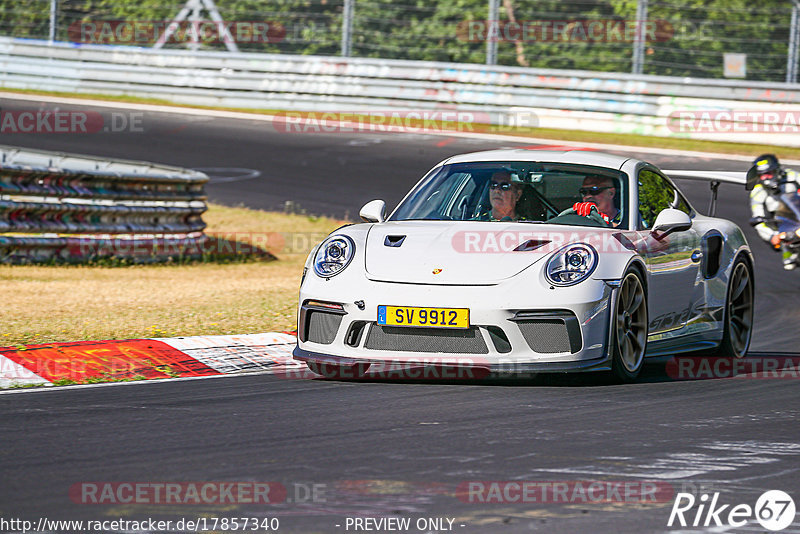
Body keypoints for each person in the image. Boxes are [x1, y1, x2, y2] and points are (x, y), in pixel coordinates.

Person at [749, 154, 800, 269]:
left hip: (799, 215)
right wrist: (772, 236)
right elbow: (757, 219)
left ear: (776, 170)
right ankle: (789, 255)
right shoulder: (757, 192)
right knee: (789, 264)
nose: (765, 178)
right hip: (783, 227)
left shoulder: (792, 176)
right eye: (762, 175)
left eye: (768, 173)